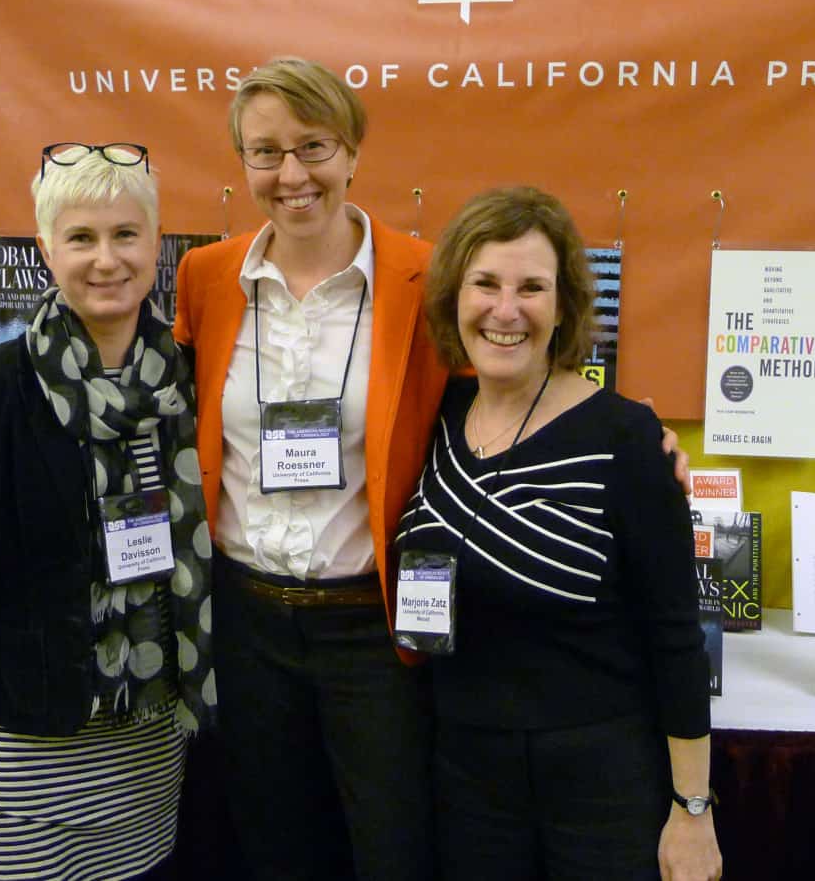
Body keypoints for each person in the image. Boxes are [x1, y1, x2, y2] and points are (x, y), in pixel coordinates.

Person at [174, 57, 692, 881]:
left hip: (373, 626)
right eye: (265, 151)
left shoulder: (425, 279)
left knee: (394, 849)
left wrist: (634, 434)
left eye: (314, 146)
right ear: (241, 162)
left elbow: (512, 376)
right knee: (273, 847)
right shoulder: (207, 277)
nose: (291, 173)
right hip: (247, 621)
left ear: (352, 154)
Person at [0, 143, 216, 881]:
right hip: (23, 737)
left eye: (124, 234)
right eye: (81, 237)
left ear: (156, 244)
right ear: (47, 249)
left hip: (147, 735)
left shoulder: (187, 382)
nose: (106, 258)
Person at [394, 186, 722, 881]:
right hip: (465, 772)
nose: (505, 310)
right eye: (485, 283)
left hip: (599, 776)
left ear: (565, 305)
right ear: (455, 293)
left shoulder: (625, 437)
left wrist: (693, 808)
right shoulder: (434, 414)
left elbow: (675, 634)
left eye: (531, 288)